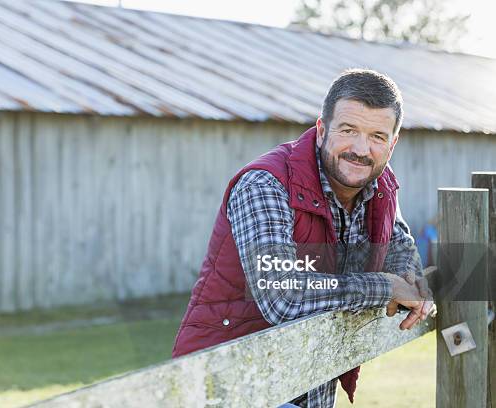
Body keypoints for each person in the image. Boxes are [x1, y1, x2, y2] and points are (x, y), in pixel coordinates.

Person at [172, 69, 433, 408]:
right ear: (322, 130)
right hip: (228, 385)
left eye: (377, 136)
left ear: (392, 143)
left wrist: (414, 288)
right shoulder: (265, 186)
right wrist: (387, 287)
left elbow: (402, 255)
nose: (360, 149)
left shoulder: (379, 183)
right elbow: (284, 296)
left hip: (305, 380)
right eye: (348, 130)